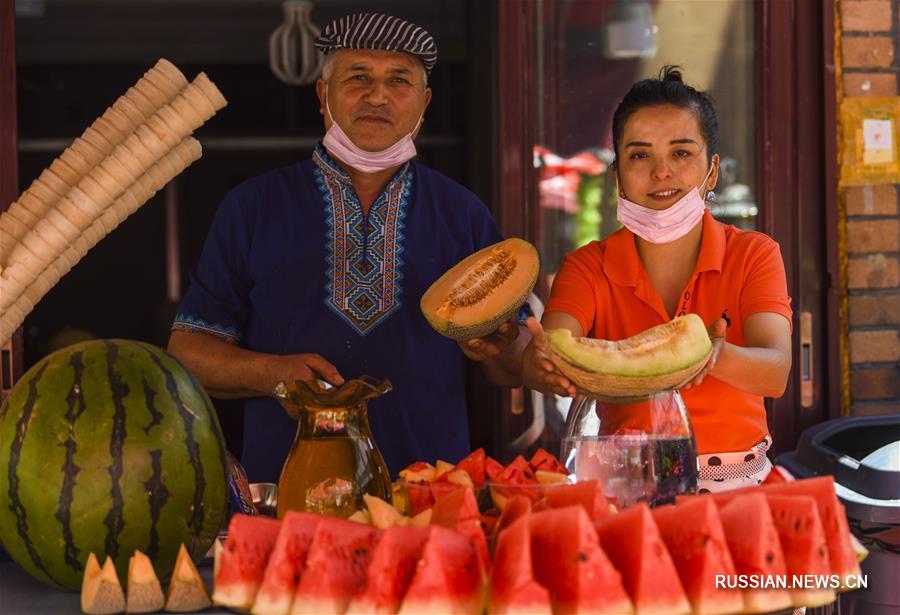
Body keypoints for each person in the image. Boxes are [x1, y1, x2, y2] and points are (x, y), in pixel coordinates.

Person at [168, 13, 524, 482]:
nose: (377, 95)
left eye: (399, 81)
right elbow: (187, 352)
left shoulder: (462, 214)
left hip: (430, 494)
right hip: (288, 498)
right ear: (323, 95)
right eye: (358, 77)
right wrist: (272, 374)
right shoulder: (253, 207)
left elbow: (510, 366)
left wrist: (505, 348)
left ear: (425, 103)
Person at [523, 66, 792, 492]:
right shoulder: (585, 267)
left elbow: (775, 371)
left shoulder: (754, 254)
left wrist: (712, 356)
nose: (662, 171)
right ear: (618, 176)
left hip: (736, 493)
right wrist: (541, 364)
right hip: (622, 487)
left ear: (713, 170)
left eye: (681, 153)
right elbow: (554, 348)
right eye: (640, 154)